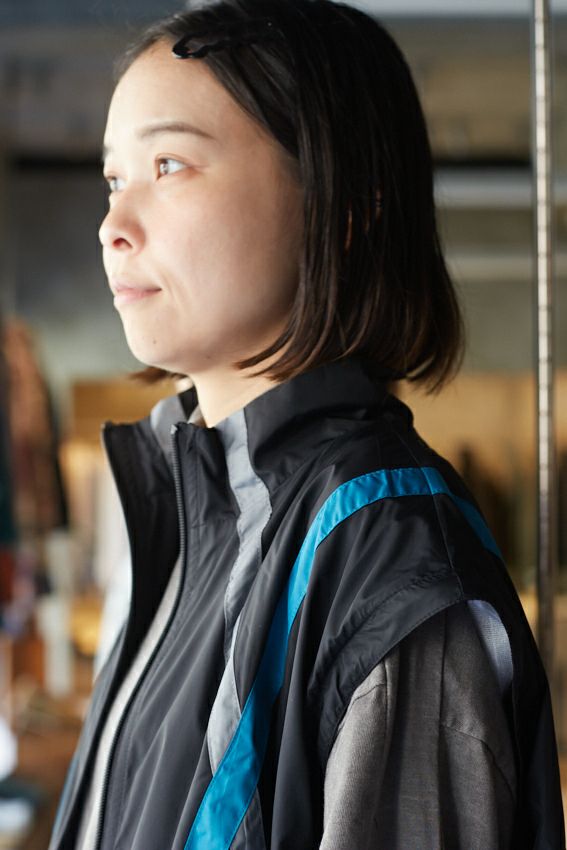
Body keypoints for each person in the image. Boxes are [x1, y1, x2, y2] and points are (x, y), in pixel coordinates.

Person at [50, 1, 565, 848]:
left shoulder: (387, 567)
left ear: (340, 206)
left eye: (169, 165)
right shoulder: (193, 512)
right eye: (114, 179)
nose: (113, 227)